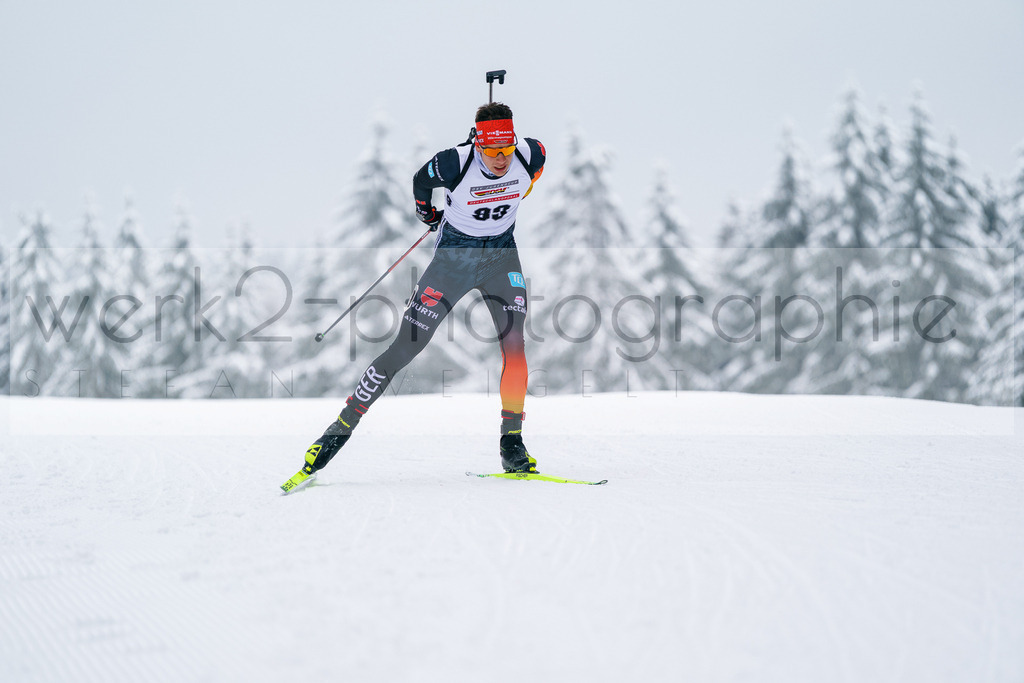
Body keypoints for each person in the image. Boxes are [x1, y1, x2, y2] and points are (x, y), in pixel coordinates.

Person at [296, 102, 546, 479]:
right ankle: (336, 432)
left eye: (506, 148)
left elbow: (527, 182)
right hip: (450, 266)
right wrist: (428, 214)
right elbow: (420, 182)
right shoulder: (453, 162)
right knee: (405, 347)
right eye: (492, 149)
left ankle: (512, 444)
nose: (501, 158)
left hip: (501, 261)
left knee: (515, 344)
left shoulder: (531, 154)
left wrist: (502, 199)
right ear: (478, 143)